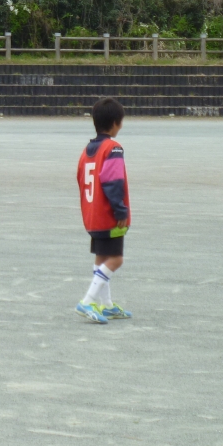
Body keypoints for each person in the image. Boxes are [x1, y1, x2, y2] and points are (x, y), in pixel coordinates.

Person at [75, 97, 132, 324]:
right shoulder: (113, 149)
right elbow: (113, 181)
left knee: (102, 258)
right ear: (116, 123)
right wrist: (120, 211)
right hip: (108, 215)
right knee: (116, 259)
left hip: (92, 215)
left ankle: (106, 305)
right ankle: (88, 300)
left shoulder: (87, 150)